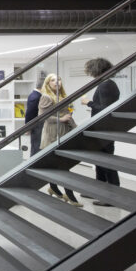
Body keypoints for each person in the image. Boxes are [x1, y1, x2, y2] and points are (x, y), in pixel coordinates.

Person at [80, 58, 121, 205]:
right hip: (102, 129)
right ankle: (99, 191)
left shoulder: (106, 86)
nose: (90, 74)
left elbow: (106, 110)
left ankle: (111, 196)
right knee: (100, 162)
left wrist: (88, 103)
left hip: (105, 130)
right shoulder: (106, 84)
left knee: (106, 162)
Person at [39, 74, 82, 207]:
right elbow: (42, 116)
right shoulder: (46, 97)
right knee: (63, 166)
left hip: (65, 131)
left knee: (58, 165)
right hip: (53, 134)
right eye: (53, 80)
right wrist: (60, 119)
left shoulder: (63, 96)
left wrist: (72, 121)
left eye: (58, 79)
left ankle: (54, 189)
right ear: (48, 83)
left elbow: (69, 112)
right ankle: (70, 196)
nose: (57, 82)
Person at [26, 78, 44, 157]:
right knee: (36, 146)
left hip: (36, 125)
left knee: (36, 145)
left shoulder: (35, 95)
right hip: (36, 126)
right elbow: (30, 113)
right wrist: (28, 127)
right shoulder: (36, 97)